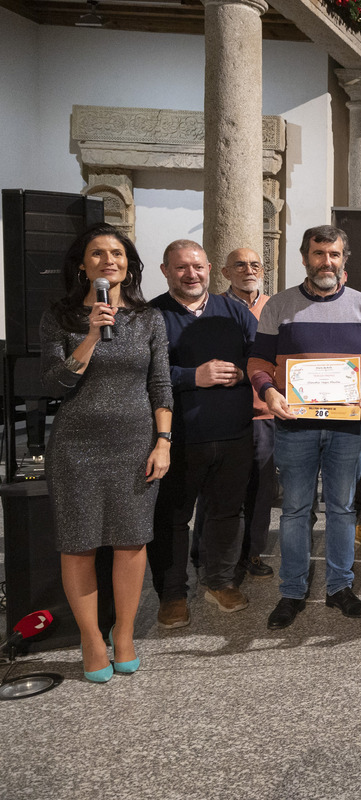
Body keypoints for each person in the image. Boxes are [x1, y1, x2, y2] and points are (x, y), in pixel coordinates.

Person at [40, 223, 172, 682]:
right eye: (97, 254)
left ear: (128, 264)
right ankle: (91, 639)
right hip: (75, 446)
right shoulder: (60, 317)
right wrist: (93, 334)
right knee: (78, 545)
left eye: (117, 253)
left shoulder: (148, 319)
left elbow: (161, 385)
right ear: (83, 264)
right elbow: (56, 382)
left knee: (130, 542)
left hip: (136, 444)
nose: (108, 261)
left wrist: (164, 442)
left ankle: (124, 635)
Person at [248, 225, 361, 630]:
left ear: (344, 258)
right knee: (295, 509)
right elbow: (259, 361)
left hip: (348, 427)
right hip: (295, 426)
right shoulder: (279, 306)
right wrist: (269, 393)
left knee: (343, 509)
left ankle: (339, 588)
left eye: (334, 254)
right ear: (304, 257)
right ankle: (292, 592)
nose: (326, 261)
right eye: (318, 254)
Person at [149, 240, 257, 627]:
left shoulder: (236, 312)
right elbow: (143, 374)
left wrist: (244, 372)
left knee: (228, 512)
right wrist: (192, 376)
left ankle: (220, 581)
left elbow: (257, 358)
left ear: (210, 268)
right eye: (181, 268)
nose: (191, 274)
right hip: (177, 436)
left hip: (234, 433)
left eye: (197, 266)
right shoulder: (152, 315)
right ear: (165, 271)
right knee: (172, 519)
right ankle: (173, 595)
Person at [220, 247, 275, 579]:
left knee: (261, 490)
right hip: (227, 412)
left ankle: (252, 553)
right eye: (239, 265)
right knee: (224, 491)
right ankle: (214, 556)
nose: (248, 270)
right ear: (226, 272)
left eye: (255, 264)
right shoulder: (215, 308)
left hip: (266, 414)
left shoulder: (275, 307)